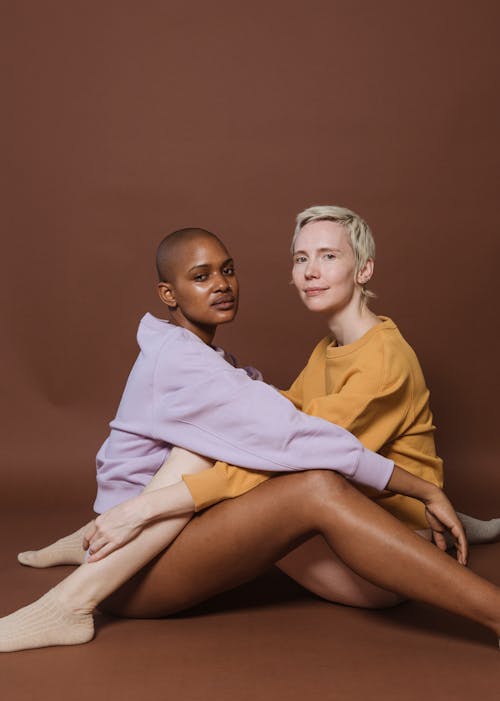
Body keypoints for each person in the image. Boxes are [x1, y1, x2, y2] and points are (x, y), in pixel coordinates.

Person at [2, 215, 498, 651]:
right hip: (137, 573)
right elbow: (293, 437)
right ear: (169, 294)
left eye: (228, 270)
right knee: (290, 473)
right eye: (201, 277)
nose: (221, 284)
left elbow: (278, 425)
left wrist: (145, 504)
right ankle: (69, 601)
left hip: (154, 540)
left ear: (362, 269)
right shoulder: (188, 365)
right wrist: (419, 486)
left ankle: (105, 524)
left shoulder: (199, 358)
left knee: (239, 439)